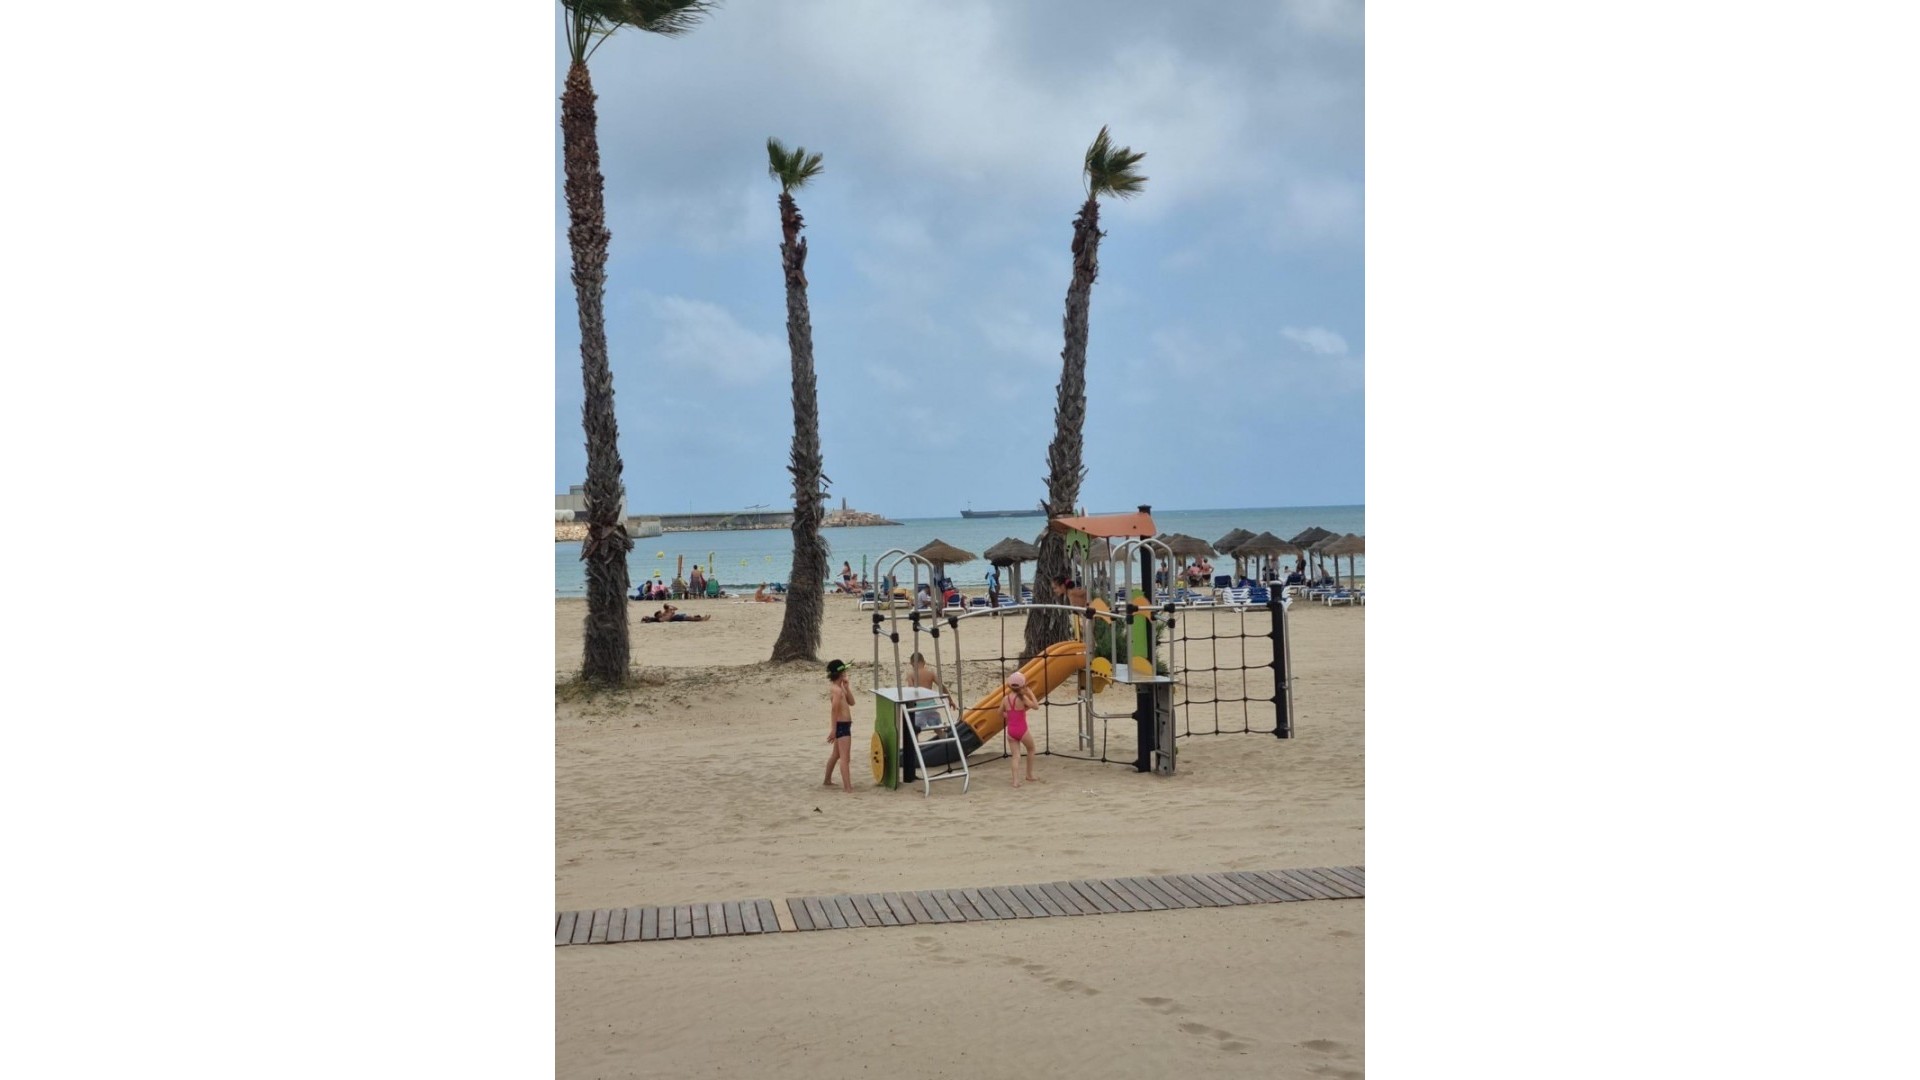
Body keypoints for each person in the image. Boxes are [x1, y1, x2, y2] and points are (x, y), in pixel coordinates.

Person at [1001, 671, 1042, 787]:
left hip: (1011, 731)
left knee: (1016, 756)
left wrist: (1009, 715)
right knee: (1031, 749)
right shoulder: (1022, 698)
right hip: (1022, 730)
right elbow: (1036, 706)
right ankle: (1029, 774)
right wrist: (1031, 693)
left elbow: (999, 712)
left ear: (1009, 686)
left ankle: (1015, 781)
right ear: (1023, 686)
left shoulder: (1005, 699)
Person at [822, 659, 856, 793]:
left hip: (844, 725)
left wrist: (847, 687)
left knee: (836, 754)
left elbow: (852, 702)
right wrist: (834, 730)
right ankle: (847, 787)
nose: (845, 673)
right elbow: (834, 709)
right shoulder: (836, 690)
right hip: (841, 725)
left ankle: (827, 780)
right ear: (839, 673)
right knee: (845, 758)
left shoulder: (841, 687)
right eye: (843, 671)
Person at [644, 604, 710, 623]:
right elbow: (668, 619)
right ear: (658, 615)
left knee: (690, 617)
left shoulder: (664, 613)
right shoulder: (661, 618)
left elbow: (675, 608)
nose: (662, 612)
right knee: (689, 618)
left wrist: (670, 606)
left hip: (676, 616)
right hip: (675, 618)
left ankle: (701, 617)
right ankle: (702, 619)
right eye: (660, 613)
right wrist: (671, 613)